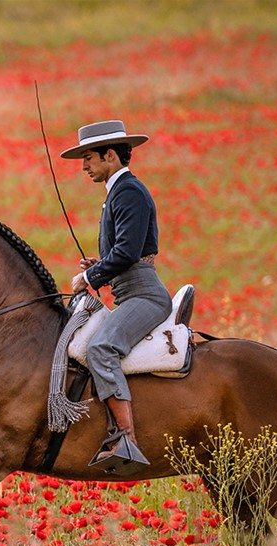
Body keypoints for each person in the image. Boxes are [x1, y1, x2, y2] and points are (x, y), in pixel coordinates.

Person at [61, 120, 172, 467]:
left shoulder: (128, 192)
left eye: (89, 158)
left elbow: (126, 253)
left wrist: (89, 275)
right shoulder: (118, 193)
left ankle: (125, 439)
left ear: (110, 155)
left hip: (145, 296)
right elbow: (127, 252)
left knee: (102, 347)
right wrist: (99, 262)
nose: (84, 167)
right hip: (130, 292)